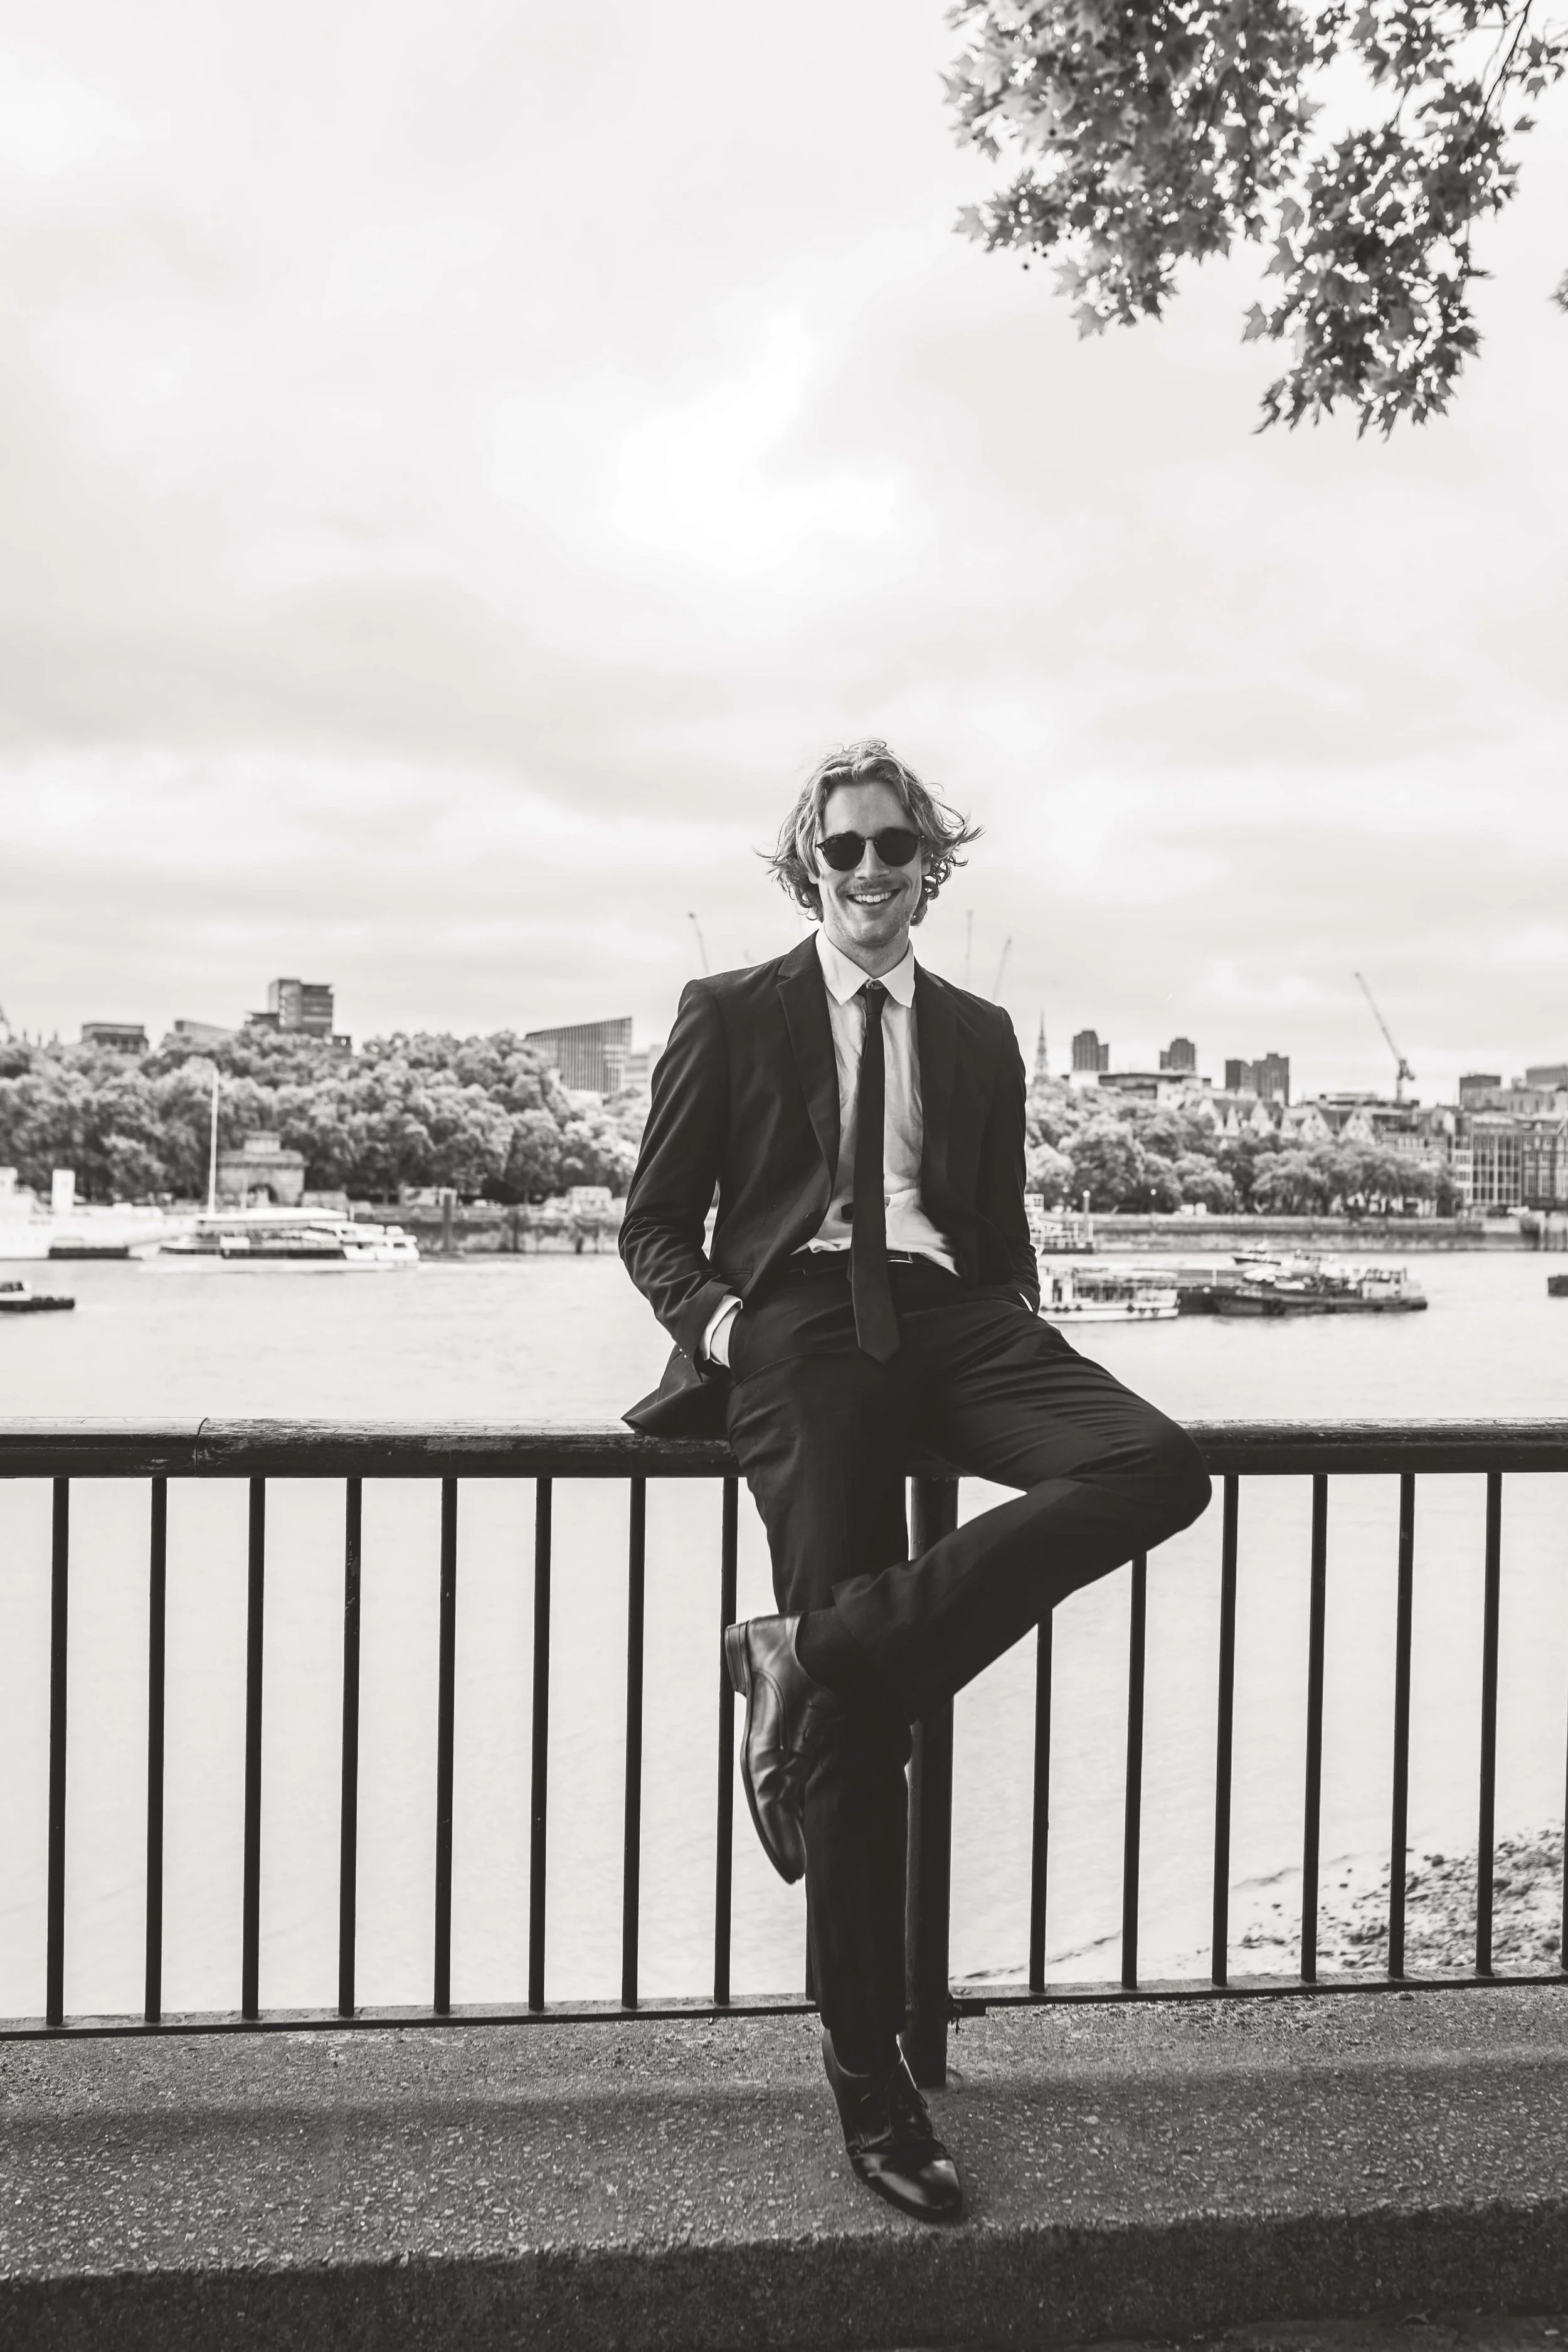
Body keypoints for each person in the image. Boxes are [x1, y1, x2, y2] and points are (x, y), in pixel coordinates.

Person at [619, 741, 1210, 2223]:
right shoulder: (731, 1011)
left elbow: (992, 1225)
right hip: (799, 1330)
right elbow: (651, 1230)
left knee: (1155, 1465)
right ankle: (868, 2081)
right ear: (806, 869)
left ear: (930, 867)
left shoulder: (977, 1033)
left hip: (954, 1322)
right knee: (865, 1743)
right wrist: (729, 1326)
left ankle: (798, 1655)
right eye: (844, 853)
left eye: (897, 850)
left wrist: (1016, 1345)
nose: (872, 873)